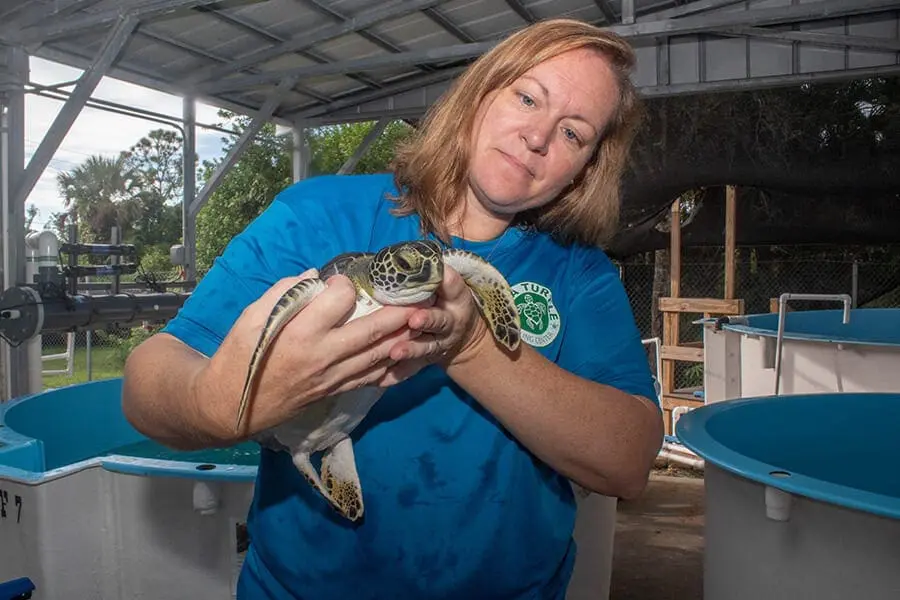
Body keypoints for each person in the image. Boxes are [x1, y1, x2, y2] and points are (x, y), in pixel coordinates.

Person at [122, 17, 663, 599]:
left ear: (587, 167)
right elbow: (148, 381)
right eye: (527, 97)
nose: (538, 137)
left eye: (573, 134)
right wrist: (225, 400)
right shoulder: (317, 215)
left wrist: (473, 346)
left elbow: (629, 463)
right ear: (479, 94)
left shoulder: (580, 272)